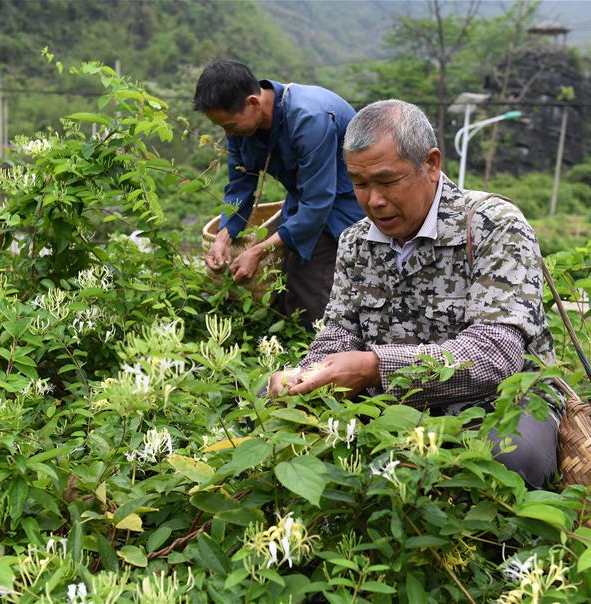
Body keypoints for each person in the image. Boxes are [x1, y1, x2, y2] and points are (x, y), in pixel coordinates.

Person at [269, 99, 561, 488]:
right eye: (360, 184)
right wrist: (306, 377)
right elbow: (340, 331)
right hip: (396, 405)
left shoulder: (494, 227)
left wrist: (375, 367)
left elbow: (496, 355)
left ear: (431, 164)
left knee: (511, 455)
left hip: (499, 402)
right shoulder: (356, 241)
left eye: (388, 181)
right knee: (272, 407)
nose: (374, 200)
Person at [193, 60, 365, 329]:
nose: (228, 134)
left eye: (229, 125)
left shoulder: (309, 118)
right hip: (304, 200)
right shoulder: (242, 128)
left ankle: (322, 358)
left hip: (344, 204)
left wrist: (259, 251)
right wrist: (223, 238)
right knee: (284, 281)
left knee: (312, 289)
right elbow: (240, 186)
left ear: (253, 102)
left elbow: (318, 202)